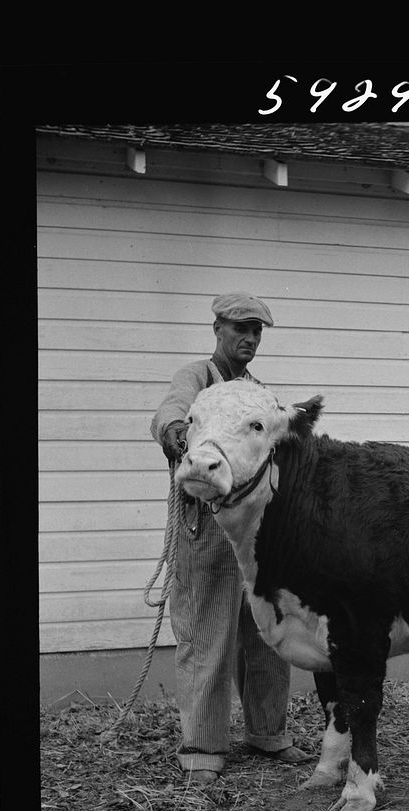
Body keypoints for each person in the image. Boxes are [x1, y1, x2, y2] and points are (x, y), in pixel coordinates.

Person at [151, 292, 310, 784]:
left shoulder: (258, 392)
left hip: (254, 532)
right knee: (206, 635)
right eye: (240, 328)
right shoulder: (197, 379)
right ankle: (202, 747)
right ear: (217, 329)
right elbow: (168, 414)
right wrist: (179, 436)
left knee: (265, 634)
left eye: (256, 331)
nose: (249, 338)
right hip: (205, 531)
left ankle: (268, 734)